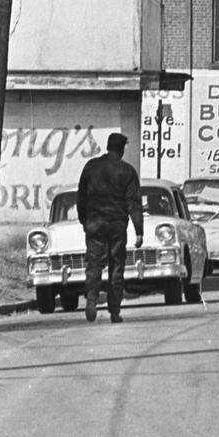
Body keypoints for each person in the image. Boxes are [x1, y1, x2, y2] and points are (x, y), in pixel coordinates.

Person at [77, 132, 143, 324]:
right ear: (121, 149)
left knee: (95, 262)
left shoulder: (91, 167)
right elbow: (133, 203)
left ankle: (91, 296)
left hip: (95, 224)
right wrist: (139, 230)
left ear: (107, 146)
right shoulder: (128, 171)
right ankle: (114, 311)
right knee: (116, 265)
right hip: (116, 225)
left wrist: (84, 221)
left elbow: (81, 197)